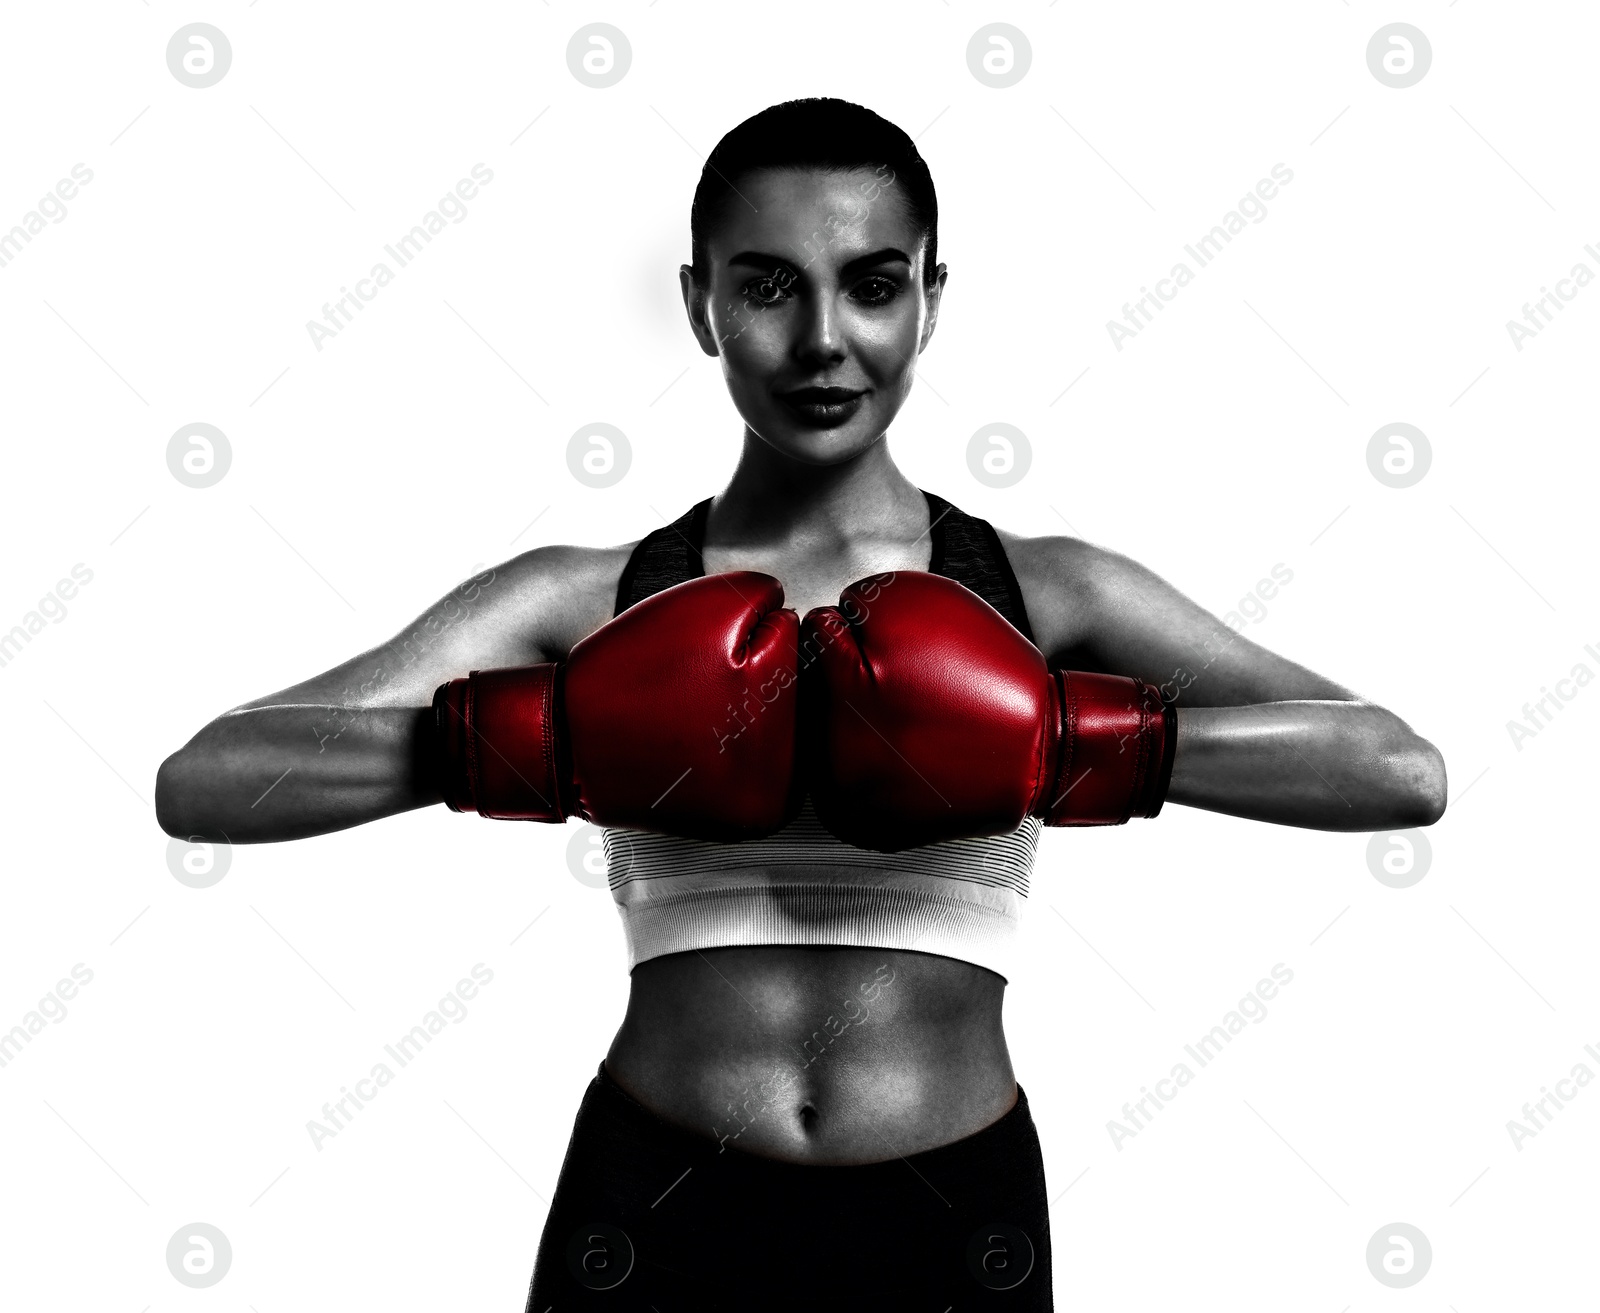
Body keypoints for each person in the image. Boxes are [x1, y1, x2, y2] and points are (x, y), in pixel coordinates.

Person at [155, 98, 1446, 1310]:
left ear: (931, 302)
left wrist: (1073, 740)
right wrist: (516, 741)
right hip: (652, 1201)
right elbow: (206, 778)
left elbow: (1397, 769)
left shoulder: (1045, 594)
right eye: (767, 285)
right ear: (701, 306)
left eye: (873, 284)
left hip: (952, 1208)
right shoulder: (592, 596)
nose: (823, 339)